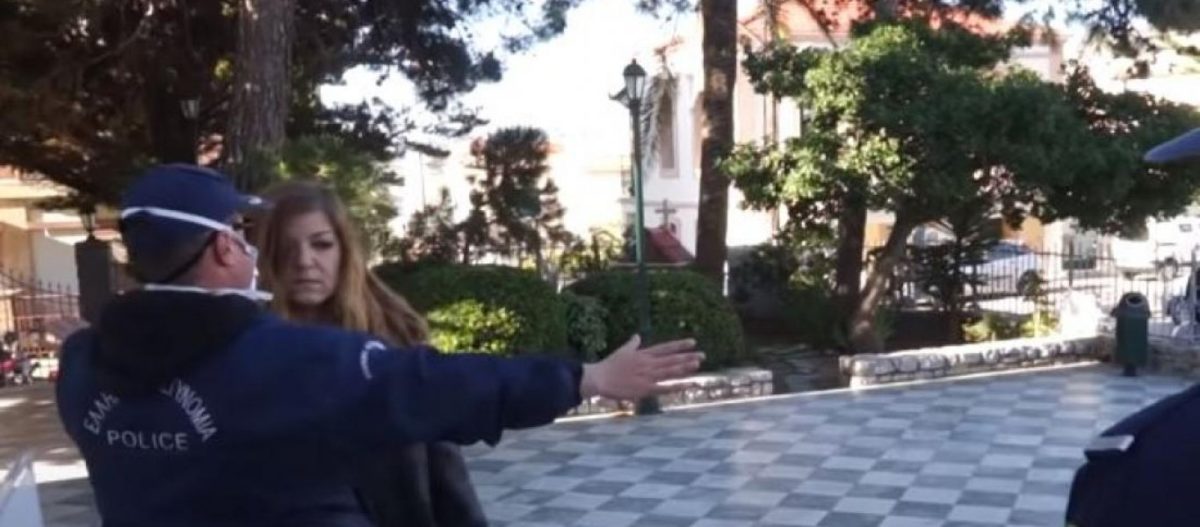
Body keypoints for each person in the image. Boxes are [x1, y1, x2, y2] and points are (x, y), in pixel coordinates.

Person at [55, 164, 703, 527]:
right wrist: (585, 378)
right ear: (225, 246)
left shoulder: (82, 367)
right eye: (243, 234)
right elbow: (442, 386)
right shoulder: (289, 361)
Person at [257, 180, 485, 526]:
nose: (304, 261)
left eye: (321, 244)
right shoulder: (245, 349)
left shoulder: (394, 337)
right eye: (285, 247)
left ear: (345, 250)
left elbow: (445, 469)